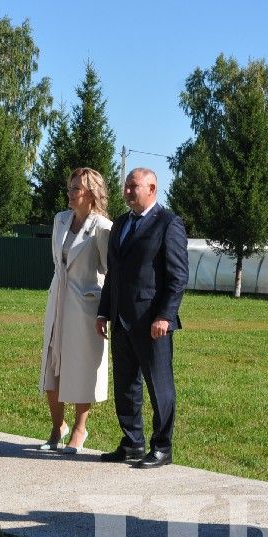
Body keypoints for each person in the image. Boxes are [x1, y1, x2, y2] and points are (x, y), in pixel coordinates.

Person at [94, 168, 188, 468]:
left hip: (152, 323)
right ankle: (132, 443)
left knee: (159, 385)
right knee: (126, 386)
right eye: (127, 186)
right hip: (121, 319)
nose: (128, 191)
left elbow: (177, 277)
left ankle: (162, 447)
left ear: (152, 189)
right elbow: (113, 275)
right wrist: (103, 311)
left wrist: (165, 316)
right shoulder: (120, 224)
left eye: (134, 186)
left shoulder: (168, 224)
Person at [38, 167, 113, 453]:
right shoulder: (60, 220)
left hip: (86, 305)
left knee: (82, 365)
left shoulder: (103, 228)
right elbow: (59, 261)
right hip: (58, 299)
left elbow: (107, 269)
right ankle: (58, 425)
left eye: (76, 189)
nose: (70, 194)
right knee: (51, 364)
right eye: (69, 188)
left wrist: (101, 307)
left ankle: (80, 427)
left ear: (91, 194)